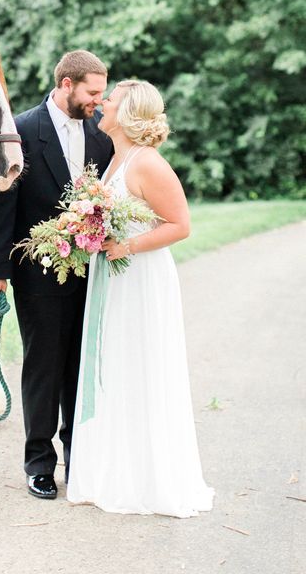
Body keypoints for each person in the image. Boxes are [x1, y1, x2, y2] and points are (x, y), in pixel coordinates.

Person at [67, 79, 215, 517]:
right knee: (113, 366)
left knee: (139, 365)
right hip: (112, 276)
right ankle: (114, 472)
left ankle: (147, 480)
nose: (102, 104)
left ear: (127, 112)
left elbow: (180, 225)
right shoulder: (116, 159)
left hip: (140, 277)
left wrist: (124, 246)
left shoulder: (147, 163)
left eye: (109, 100)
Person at [0, 51, 114, 499]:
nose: (100, 100)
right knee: (43, 365)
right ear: (66, 85)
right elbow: (0, 208)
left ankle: (80, 455)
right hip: (38, 274)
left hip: (93, 272)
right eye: (93, 92)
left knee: (81, 366)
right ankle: (39, 462)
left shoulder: (102, 135)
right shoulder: (19, 131)